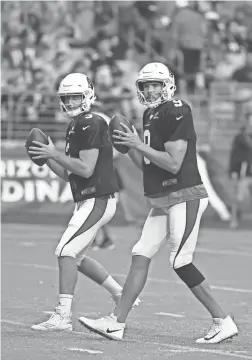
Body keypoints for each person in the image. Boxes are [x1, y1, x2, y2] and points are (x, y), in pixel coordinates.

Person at [79, 63, 238, 344]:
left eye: (155, 84)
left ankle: (222, 321)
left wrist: (137, 143)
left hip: (185, 195)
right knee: (140, 253)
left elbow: (174, 163)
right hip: (164, 199)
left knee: (179, 260)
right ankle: (116, 323)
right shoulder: (150, 114)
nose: (150, 89)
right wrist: (127, 148)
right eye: (146, 85)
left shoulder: (177, 109)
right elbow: (149, 166)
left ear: (167, 84)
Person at [28, 73, 140, 331]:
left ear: (88, 95)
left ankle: (63, 316)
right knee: (76, 257)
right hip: (89, 199)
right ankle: (120, 295)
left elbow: (87, 168)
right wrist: (48, 159)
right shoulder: (78, 124)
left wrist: (53, 152)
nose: (71, 102)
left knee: (65, 251)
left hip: (97, 199)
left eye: (76, 96)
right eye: (67, 98)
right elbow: (70, 174)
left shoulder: (90, 121)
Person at [229, 119, 252, 228]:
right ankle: (234, 219)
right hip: (243, 172)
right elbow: (234, 154)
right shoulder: (240, 138)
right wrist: (233, 170)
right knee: (238, 197)